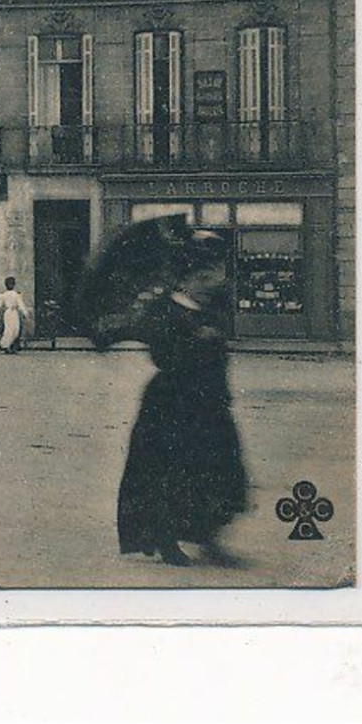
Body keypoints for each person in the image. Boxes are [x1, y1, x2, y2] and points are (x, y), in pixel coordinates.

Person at [114, 232, 248, 567]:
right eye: (204, 276)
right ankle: (165, 539)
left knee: (218, 470)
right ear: (187, 278)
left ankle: (209, 536)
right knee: (170, 472)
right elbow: (162, 357)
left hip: (209, 402)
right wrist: (195, 342)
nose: (211, 282)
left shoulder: (209, 310)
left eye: (214, 274)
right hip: (172, 403)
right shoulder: (166, 312)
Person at [0, 276, 32, 353]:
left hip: (10, 313)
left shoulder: (10, 295)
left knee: (13, 329)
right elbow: (0, 305)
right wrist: (25, 313)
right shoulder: (11, 295)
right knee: (11, 329)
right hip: (11, 313)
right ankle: (6, 345)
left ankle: (9, 345)